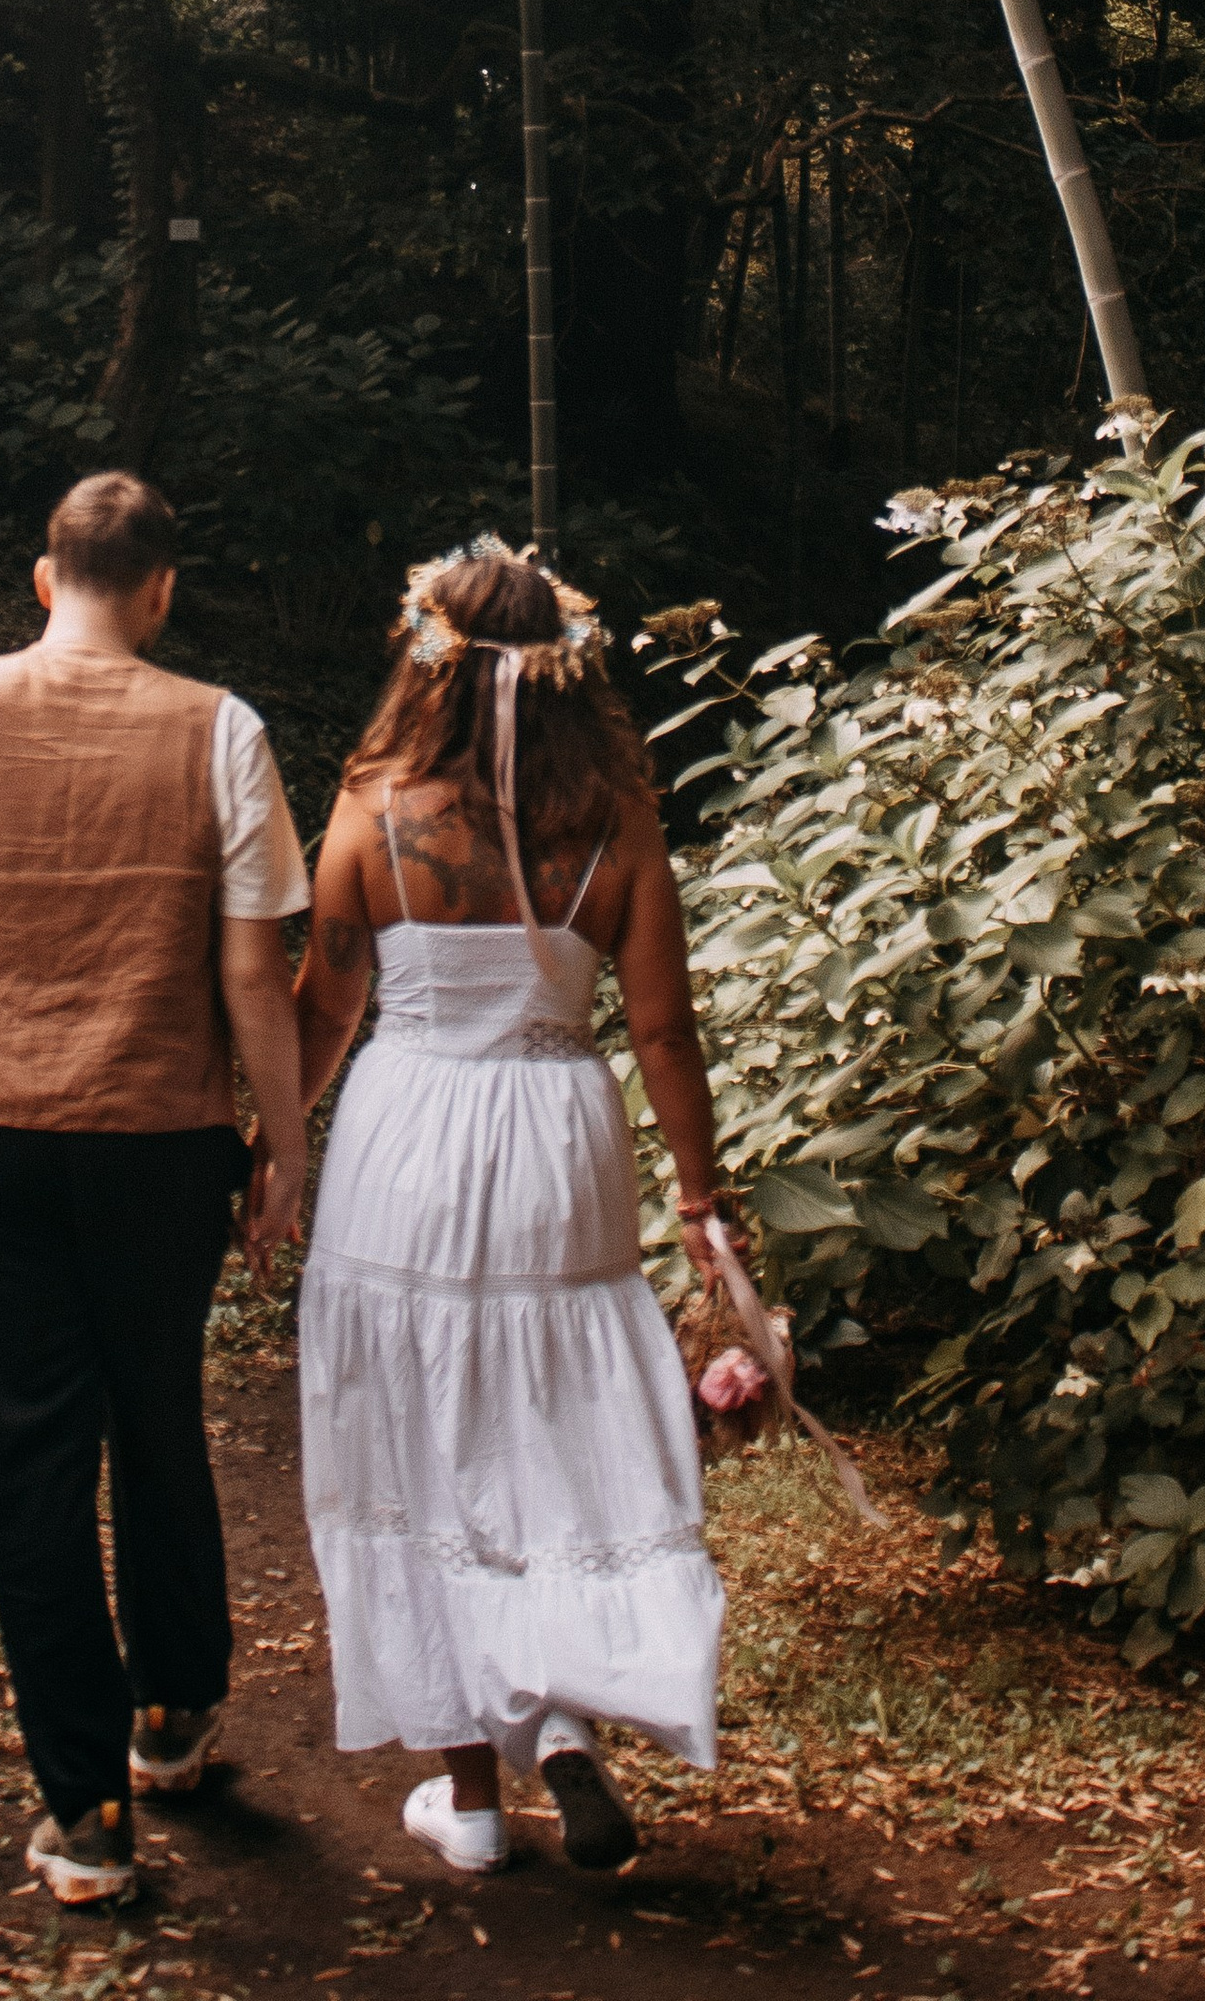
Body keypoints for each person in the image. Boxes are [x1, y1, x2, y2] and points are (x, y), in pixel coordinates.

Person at [0, 470, 310, 1909]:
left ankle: (82, 1809)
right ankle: (173, 1713)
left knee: (27, 1452)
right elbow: (250, 973)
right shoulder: (221, 731)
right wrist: (283, 1148)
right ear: (161, 590)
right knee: (157, 1409)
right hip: (163, 1142)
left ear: (45, 580)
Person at [287, 537, 731, 1879]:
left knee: (419, 1430)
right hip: (557, 1138)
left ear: (422, 656)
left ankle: (470, 1795)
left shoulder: (376, 811)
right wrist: (702, 1197)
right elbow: (663, 1033)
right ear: (565, 671)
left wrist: (269, 1148)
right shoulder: (619, 821)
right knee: (551, 1416)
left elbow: (325, 1008)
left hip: (406, 1138)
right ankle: (569, 1721)